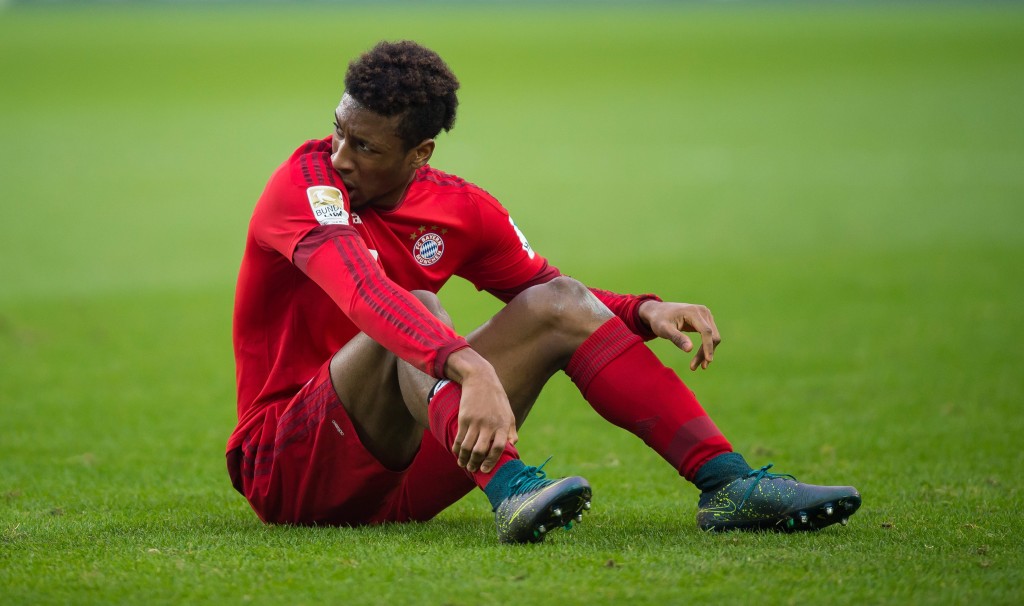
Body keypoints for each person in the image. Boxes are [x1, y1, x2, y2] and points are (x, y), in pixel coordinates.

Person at [226, 40, 861, 543]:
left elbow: (549, 292)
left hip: (409, 471)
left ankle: (729, 484)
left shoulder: (460, 208)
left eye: (364, 146)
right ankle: (513, 490)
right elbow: (366, 293)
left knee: (557, 303)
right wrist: (469, 366)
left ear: (420, 153)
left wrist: (643, 310)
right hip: (289, 470)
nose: (340, 155)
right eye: (339, 129)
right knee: (416, 308)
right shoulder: (305, 187)